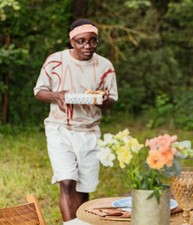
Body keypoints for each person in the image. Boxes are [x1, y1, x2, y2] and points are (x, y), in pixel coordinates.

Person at [33, 18, 118, 224]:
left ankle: (82, 222)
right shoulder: (56, 61)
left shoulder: (104, 65)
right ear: (71, 42)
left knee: (84, 187)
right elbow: (39, 91)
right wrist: (56, 96)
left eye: (92, 41)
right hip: (59, 128)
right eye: (81, 41)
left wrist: (103, 101)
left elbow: (112, 99)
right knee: (67, 182)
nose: (87, 46)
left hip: (89, 131)